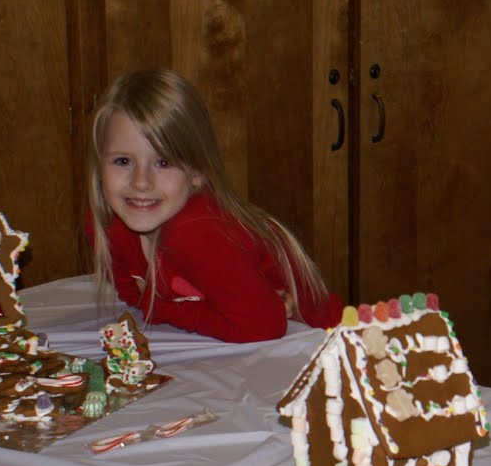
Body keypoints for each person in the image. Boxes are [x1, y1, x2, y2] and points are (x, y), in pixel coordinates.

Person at [86, 68, 342, 342]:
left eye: (163, 162)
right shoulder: (107, 223)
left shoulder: (194, 232)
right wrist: (175, 310)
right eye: (123, 161)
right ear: (100, 167)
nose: (141, 182)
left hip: (325, 342)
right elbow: (134, 296)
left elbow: (262, 327)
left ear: (197, 171)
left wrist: (165, 310)